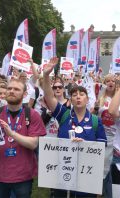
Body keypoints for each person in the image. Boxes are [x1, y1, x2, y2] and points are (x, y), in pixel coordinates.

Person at [42, 57, 107, 197]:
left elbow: (102, 146)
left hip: (86, 172)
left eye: (82, 94)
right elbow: (49, 96)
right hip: (63, 167)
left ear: (87, 99)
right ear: (70, 99)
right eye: (74, 95)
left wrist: (86, 146)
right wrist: (46, 75)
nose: (78, 97)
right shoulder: (63, 114)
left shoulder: (95, 121)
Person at [0, 79, 46, 198]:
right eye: (9, 88)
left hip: (22, 176)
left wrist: (12, 134)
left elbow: (33, 144)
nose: (11, 91)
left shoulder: (32, 114)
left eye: (16, 89)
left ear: (25, 94)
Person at [94, 74, 117, 198]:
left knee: (112, 167)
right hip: (102, 136)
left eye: (112, 80)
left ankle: (110, 192)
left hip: (116, 137)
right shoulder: (100, 98)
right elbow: (94, 114)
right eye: (107, 80)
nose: (110, 82)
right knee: (101, 166)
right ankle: (98, 192)